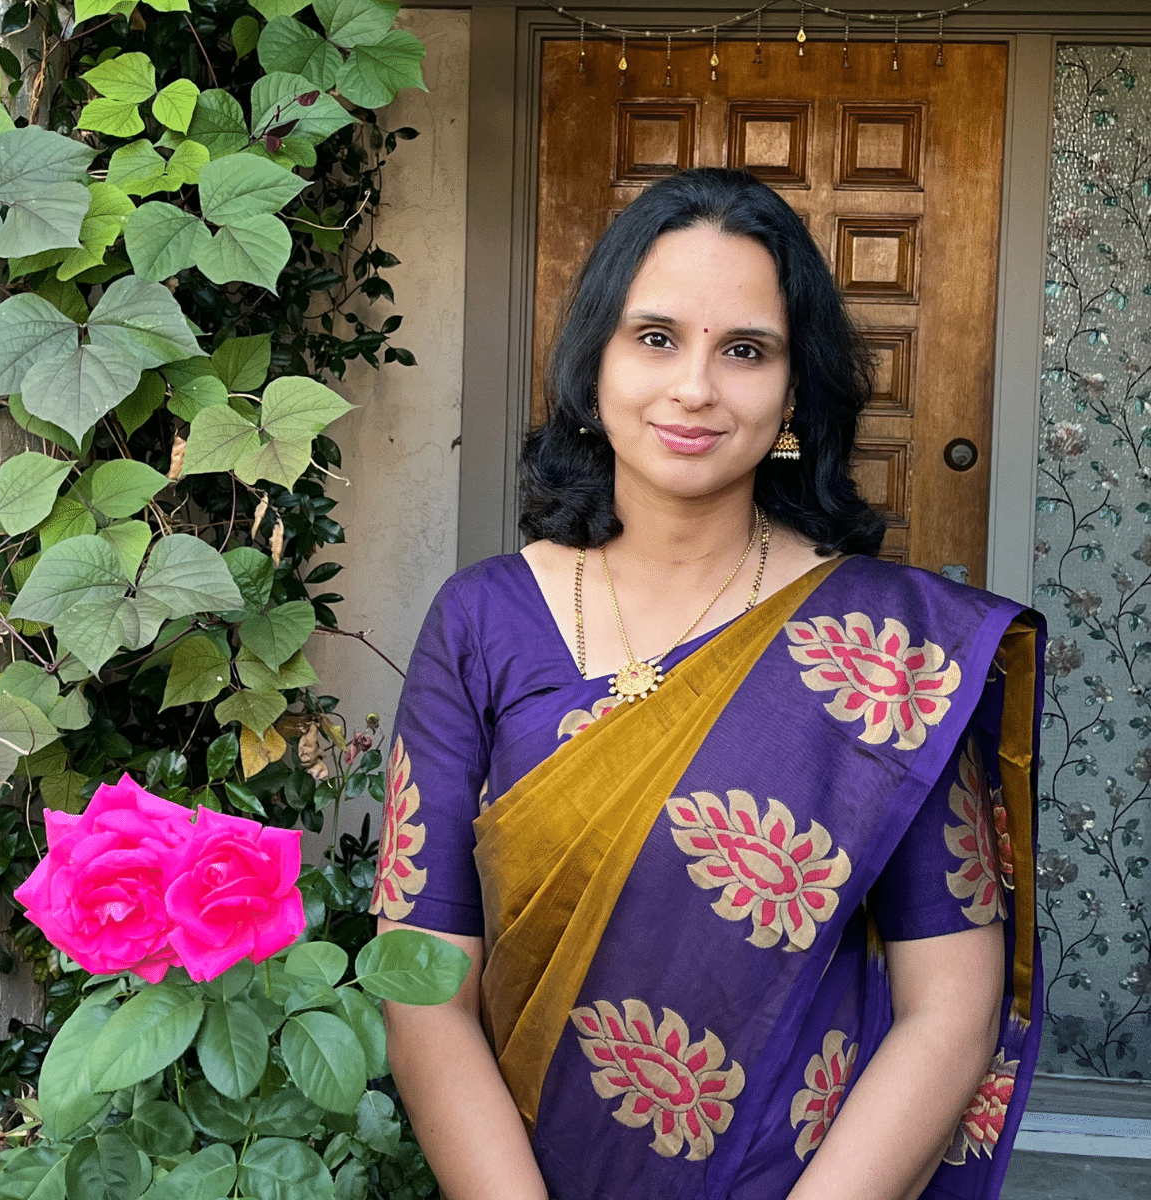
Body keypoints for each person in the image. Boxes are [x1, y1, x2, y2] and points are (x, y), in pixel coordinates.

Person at [371, 167, 1044, 1200]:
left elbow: (950, 1005)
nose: (695, 386)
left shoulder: (888, 651)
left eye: (745, 350)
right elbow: (423, 981)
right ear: (592, 364)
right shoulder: (482, 623)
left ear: (791, 394)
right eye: (655, 338)